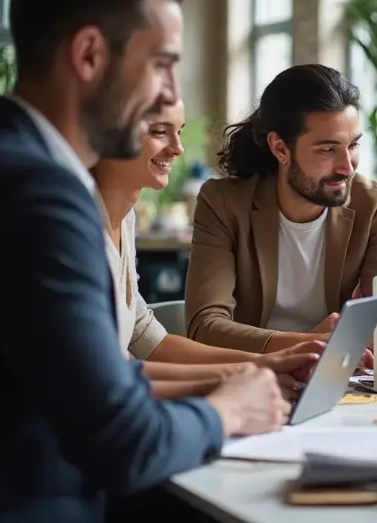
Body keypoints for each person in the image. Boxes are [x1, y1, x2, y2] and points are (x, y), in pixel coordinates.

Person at [0, 0, 290, 522]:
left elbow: (93, 382)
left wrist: (236, 379)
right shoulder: (39, 195)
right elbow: (121, 442)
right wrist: (228, 413)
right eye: (162, 64)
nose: (169, 94)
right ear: (88, 55)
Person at [91, 99, 326, 399]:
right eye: (160, 132)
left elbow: (147, 338)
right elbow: (113, 372)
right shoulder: (77, 226)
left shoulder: (125, 217)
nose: (177, 148)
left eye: (179, 132)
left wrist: (269, 364)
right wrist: (246, 375)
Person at [185, 64, 377, 353]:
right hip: (254, 376)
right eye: (327, 149)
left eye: (353, 145)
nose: (347, 166)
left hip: (337, 381)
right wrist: (308, 345)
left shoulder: (373, 204)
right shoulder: (224, 204)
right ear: (280, 148)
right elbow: (204, 327)